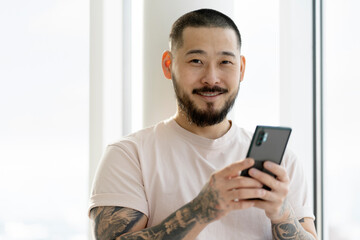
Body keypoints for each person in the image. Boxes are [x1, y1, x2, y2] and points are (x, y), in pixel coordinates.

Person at [88, 8, 318, 240]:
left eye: (225, 62)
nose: (211, 78)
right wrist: (200, 211)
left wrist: (283, 215)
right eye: (196, 61)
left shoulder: (282, 164)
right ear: (168, 65)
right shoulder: (129, 155)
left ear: (241, 68)